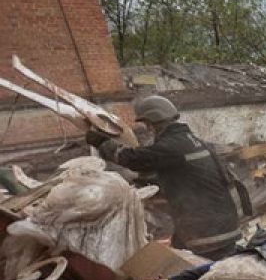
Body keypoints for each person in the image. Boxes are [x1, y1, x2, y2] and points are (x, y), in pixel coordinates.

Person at [87, 95, 250, 259]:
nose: (148, 129)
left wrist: (103, 143)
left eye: (147, 124)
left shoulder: (172, 146)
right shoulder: (193, 141)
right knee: (178, 253)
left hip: (207, 232)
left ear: (153, 121)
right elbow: (182, 172)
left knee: (197, 271)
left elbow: (134, 159)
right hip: (222, 223)